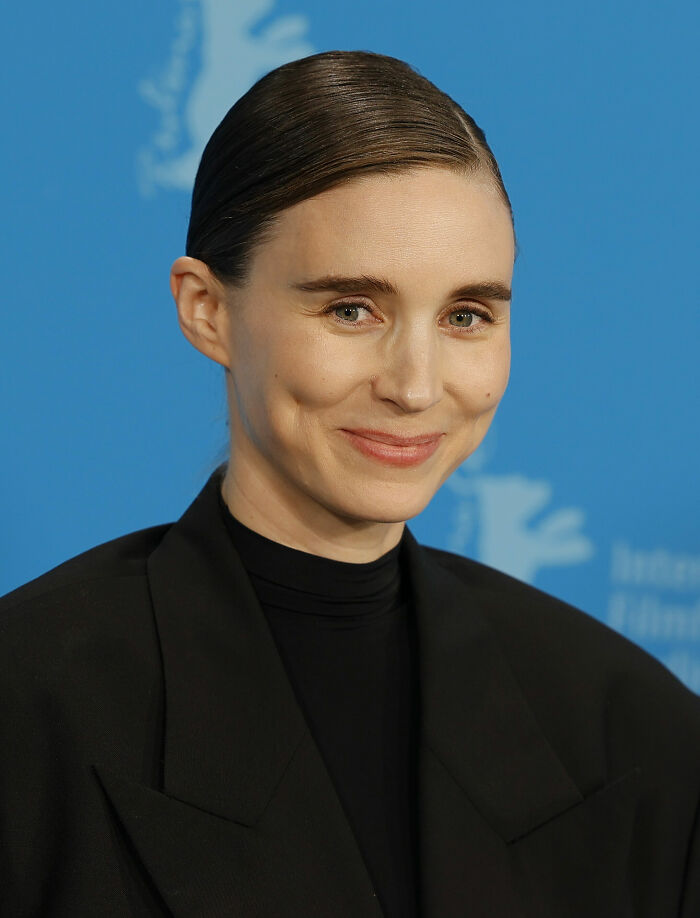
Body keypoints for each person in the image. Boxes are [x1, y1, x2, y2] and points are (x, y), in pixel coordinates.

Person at [1, 49, 698, 918]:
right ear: (206, 310)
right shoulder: (26, 710)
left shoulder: (635, 732)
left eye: (467, 315)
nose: (414, 384)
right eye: (350, 310)